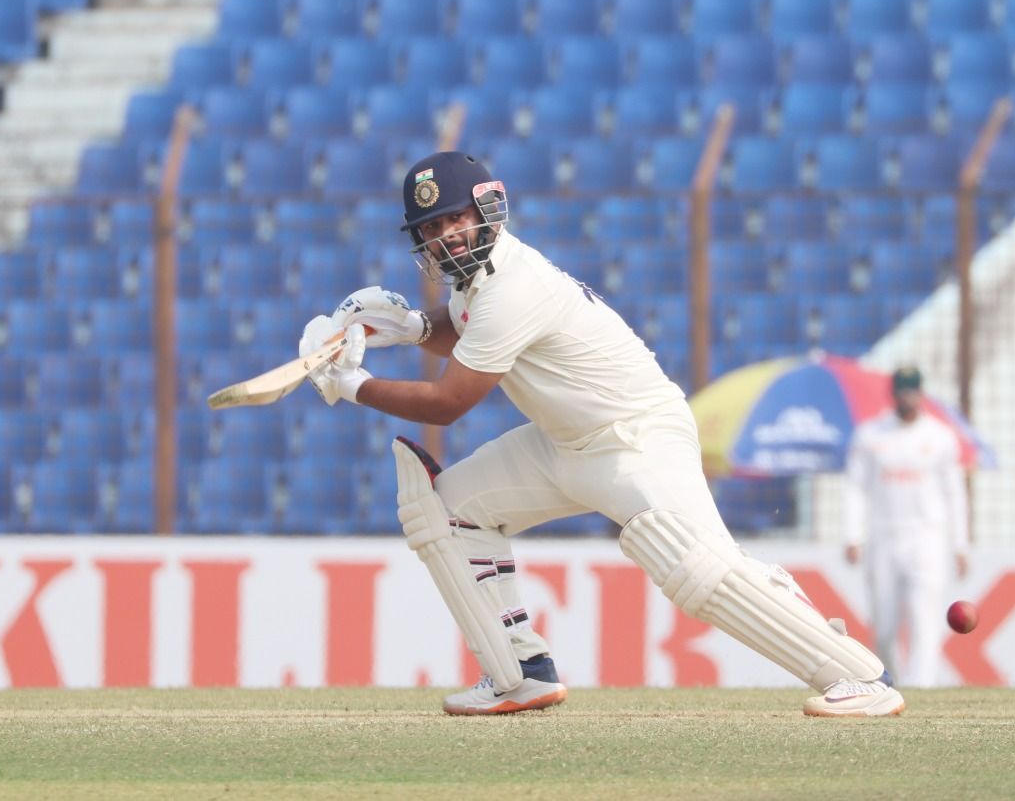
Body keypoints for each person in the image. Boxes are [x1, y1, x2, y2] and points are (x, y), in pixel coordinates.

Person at [296, 150, 905, 717]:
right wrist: (401, 326)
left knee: (694, 568)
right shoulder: (477, 283)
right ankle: (521, 673)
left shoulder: (515, 285)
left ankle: (856, 679)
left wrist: (354, 385)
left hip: (635, 438)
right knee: (447, 511)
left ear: (486, 211)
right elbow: (458, 324)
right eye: (429, 229)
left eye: (453, 218)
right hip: (564, 444)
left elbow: (449, 402)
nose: (443, 236)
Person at [842, 366, 970, 687]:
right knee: (884, 625)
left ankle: (922, 687)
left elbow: (955, 493)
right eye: (902, 391)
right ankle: (890, 683)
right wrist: (852, 535)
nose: (907, 398)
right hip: (884, 534)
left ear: (921, 393)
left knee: (924, 619)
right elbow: (856, 487)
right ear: (894, 394)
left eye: (913, 391)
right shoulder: (871, 435)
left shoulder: (940, 437)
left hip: (926, 536)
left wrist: (960, 545)